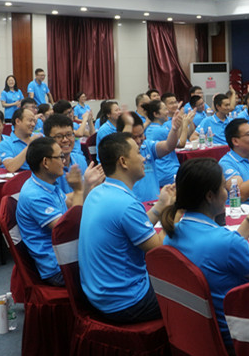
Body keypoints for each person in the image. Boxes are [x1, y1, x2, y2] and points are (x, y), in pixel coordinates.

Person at [162, 159, 249, 347]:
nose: (226, 193)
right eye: (223, 187)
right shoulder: (224, 242)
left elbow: (225, 250)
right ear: (210, 196)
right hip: (233, 336)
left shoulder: (172, 233)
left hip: (196, 332)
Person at [79, 132, 172, 323]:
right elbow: (158, 249)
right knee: (194, 290)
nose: (143, 158)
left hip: (99, 294)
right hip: (127, 302)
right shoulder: (126, 204)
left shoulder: (99, 192)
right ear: (123, 161)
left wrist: (161, 206)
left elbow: (135, 228)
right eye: (138, 153)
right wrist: (175, 212)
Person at [16, 137, 85, 286]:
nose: (64, 161)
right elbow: (69, 231)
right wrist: (79, 190)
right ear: (46, 162)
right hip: (58, 268)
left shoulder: (45, 183)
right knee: (113, 263)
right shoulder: (35, 195)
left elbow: (69, 202)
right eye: (60, 157)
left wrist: (90, 185)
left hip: (66, 254)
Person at [119, 108, 184, 202]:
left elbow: (168, 146)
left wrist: (174, 130)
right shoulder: (117, 153)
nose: (138, 141)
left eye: (141, 135)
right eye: (133, 137)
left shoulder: (147, 146)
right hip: (134, 205)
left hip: (154, 203)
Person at [44, 113, 105, 196]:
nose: (65, 140)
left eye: (69, 134)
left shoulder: (80, 159)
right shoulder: (46, 168)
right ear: (47, 139)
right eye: (59, 136)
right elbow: (58, 201)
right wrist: (89, 187)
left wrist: (95, 185)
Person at [0, 108, 38, 172]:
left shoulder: (39, 137)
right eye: (30, 120)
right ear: (18, 121)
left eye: (34, 121)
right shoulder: (5, 144)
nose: (33, 124)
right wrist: (30, 146)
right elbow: (11, 167)